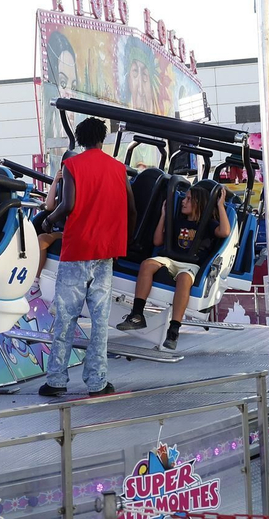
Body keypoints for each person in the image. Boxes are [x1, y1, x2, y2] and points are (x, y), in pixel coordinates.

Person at [40, 118, 133, 398]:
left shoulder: (72, 166)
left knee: (66, 318)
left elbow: (67, 205)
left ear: (79, 140)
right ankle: (97, 382)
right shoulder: (118, 169)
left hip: (76, 251)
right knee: (100, 321)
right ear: (102, 139)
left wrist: (48, 220)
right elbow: (131, 207)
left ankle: (56, 380)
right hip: (105, 254)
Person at [117, 181, 232, 351]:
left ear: (198, 203)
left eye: (188, 199)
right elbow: (158, 241)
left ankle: (174, 329)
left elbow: (225, 232)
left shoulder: (208, 224)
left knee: (185, 279)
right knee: (147, 264)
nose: (183, 202)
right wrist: (164, 216)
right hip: (170, 259)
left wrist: (220, 205)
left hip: (190, 265)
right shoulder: (178, 221)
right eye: (184, 198)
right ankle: (137, 314)